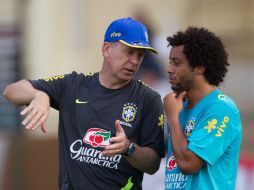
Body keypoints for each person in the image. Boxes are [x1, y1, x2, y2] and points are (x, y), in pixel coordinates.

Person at [3, 17, 165, 190]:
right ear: (106, 49)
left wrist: (128, 148)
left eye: (140, 55)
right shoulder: (73, 85)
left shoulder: (149, 99)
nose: (135, 61)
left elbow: (153, 164)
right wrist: (39, 94)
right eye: (129, 52)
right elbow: (11, 91)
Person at [163, 27, 242, 190]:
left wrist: (172, 119)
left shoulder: (221, 109)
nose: (169, 69)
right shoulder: (180, 107)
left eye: (176, 63)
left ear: (199, 67)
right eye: (170, 62)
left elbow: (188, 163)